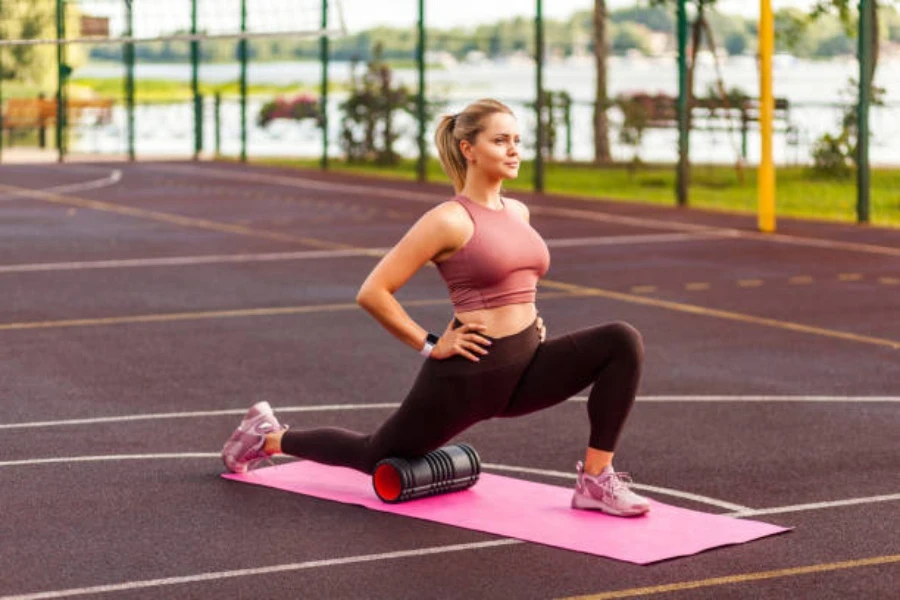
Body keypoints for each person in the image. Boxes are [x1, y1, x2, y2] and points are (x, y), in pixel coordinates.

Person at [222, 99, 650, 517]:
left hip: (526, 364)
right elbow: (374, 291)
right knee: (374, 453)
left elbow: (517, 284)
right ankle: (268, 437)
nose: (515, 149)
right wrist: (431, 343)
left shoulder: (518, 211)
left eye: (517, 139)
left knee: (620, 341)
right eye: (501, 140)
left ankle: (595, 480)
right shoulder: (448, 219)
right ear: (469, 149)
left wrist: (527, 320)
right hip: (471, 372)